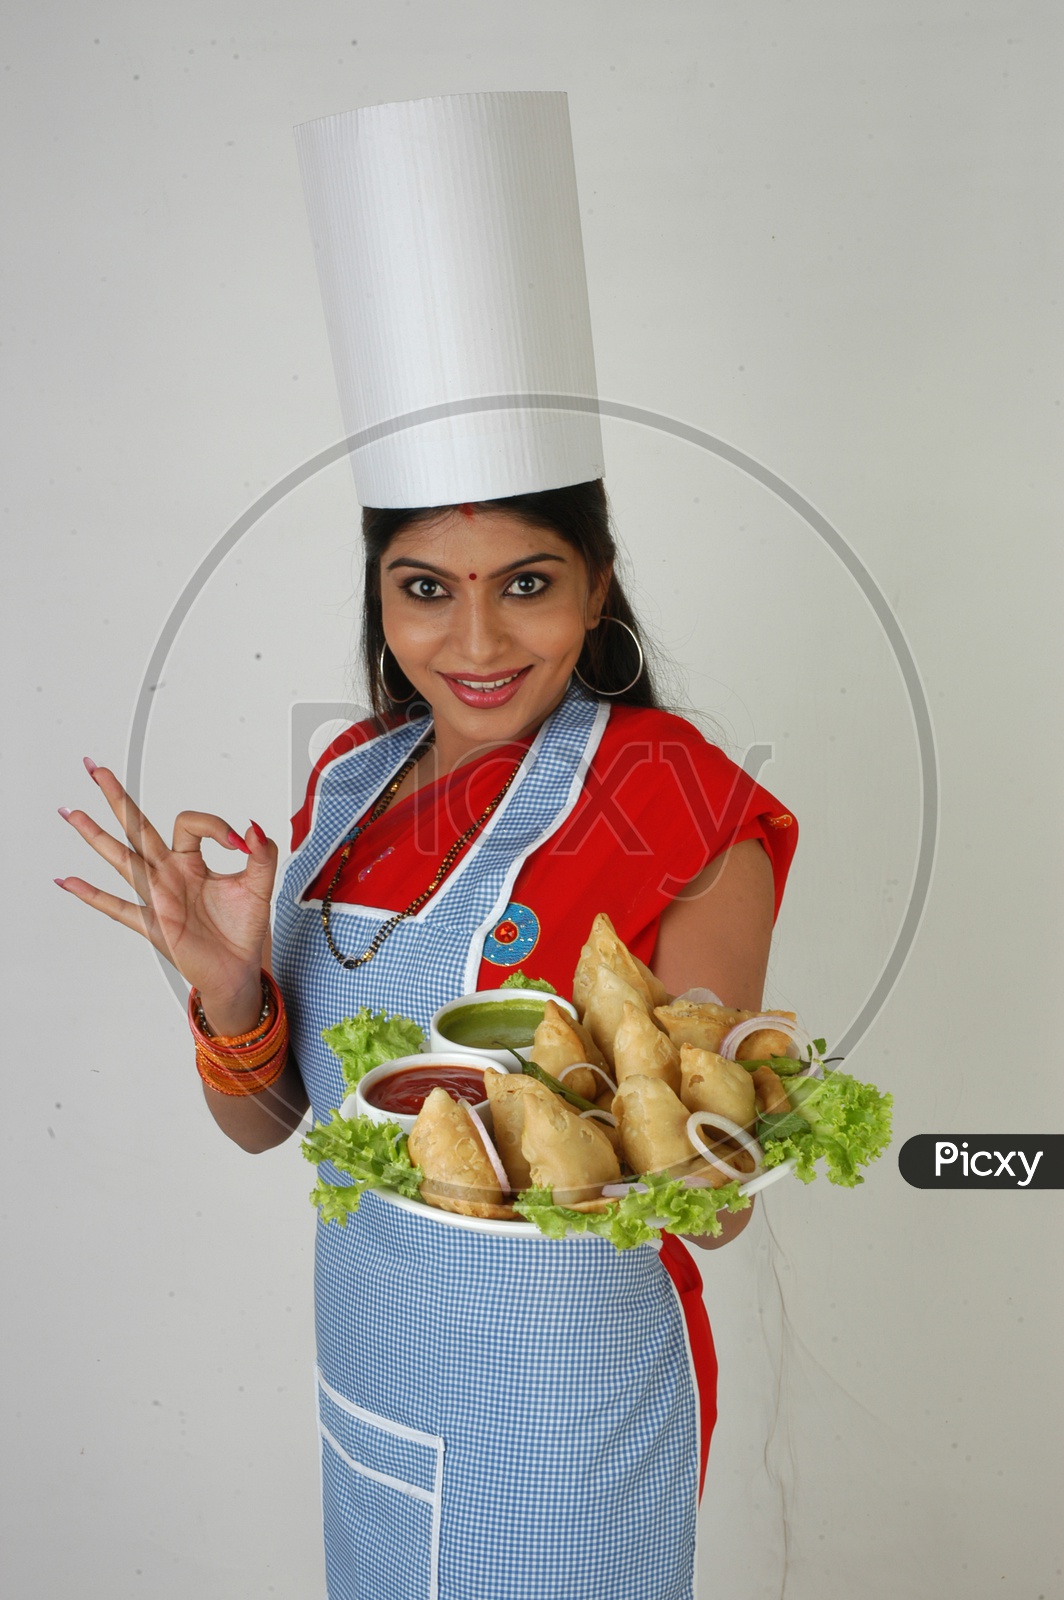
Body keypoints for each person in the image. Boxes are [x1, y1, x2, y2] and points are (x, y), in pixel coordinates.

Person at [56, 90, 799, 1600]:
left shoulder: (675, 796)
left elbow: (710, 1197)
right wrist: (226, 991)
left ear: (596, 588)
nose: (471, 640)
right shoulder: (348, 776)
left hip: (559, 1416)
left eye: (526, 582)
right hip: (373, 1377)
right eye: (423, 586)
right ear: (379, 593)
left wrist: (697, 1105)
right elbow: (276, 1133)